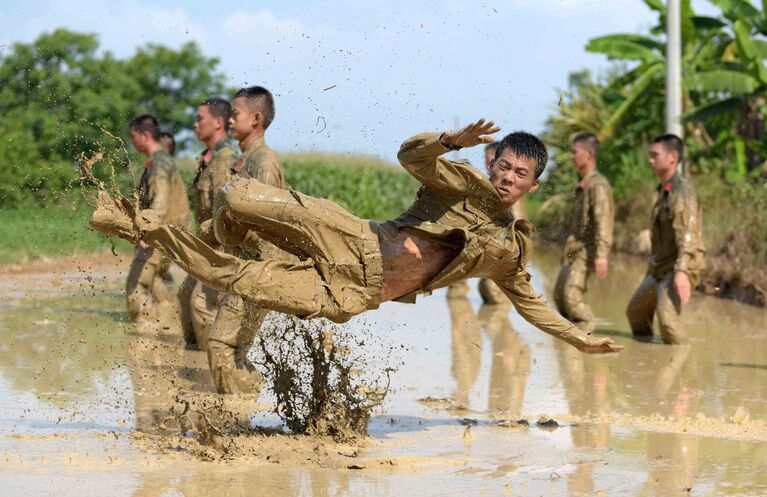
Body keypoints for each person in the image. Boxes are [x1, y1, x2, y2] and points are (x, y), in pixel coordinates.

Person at [92, 119, 622, 355]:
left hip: (355, 294)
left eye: (518, 174)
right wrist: (446, 140)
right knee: (238, 197)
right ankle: (219, 229)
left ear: (532, 182)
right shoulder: (461, 180)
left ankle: (138, 227)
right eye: (502, 165)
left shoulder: (508, 251)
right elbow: (409, 156)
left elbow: (531, 304)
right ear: (493, 162)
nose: (506, 177)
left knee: (236, 279)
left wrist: (578, 338)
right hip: (355, 239)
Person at [203, 86, 288, 394]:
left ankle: (238, 415)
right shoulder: (244, 161)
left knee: (221, 346)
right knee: (233, 350)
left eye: (235, 114)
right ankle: (248, 406)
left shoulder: (263, 163)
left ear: (255, 118)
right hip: (243, 269)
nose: (229, 120)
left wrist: (219, 227)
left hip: (257, 272)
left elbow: (266, 224)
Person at [625, 134, 705, 344]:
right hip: (660, 266)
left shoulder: (682, 192)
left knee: (667, 319)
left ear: (673, 157)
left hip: (678, 266)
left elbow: (688, 235)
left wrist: (682, 272)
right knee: (636, 312)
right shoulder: (663, 190)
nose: (650, 160)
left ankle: (680, 359)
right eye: (650, 155)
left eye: (655, 155)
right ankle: (646, 359)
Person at [176, 98, 239, 350]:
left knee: (203, 307)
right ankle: (193, 358)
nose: (194, 125)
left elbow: (231, 211)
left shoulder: (226, 160)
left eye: (199, 119)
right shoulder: (207, 161)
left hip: (221, 249)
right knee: (185, 296)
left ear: (218, 123)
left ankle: (210, 368)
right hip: (205, 247)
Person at [123, 115, 189, 324]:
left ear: (144, 135)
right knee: (159, 283)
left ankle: (145, 338)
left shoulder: (159, 163)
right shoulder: (161, 161)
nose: (132, 142)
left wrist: (146, 231)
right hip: (167, 236)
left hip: (157, 236)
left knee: (136, 287)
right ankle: (170, 325)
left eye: (134, 136)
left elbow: (160, 201)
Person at [447, 141, 524, 304]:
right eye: (487, 160)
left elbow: (517, 225)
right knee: (483, 290)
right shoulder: (488, 186)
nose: (488, 164)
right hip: (486, 245)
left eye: (492, 160)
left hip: (502, 249)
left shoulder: (509, 190)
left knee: (494, 295)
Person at [553, 132, 614, 329]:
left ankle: (587, 337)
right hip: (574, 249)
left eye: (575, 152)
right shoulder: (584, 183)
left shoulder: (598, 185)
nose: (572, 156)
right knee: (560, 296)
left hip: (587, 250)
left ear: (588, 154)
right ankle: (569, 346)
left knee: (572, 297)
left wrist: (602, 255)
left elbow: (603, 219)